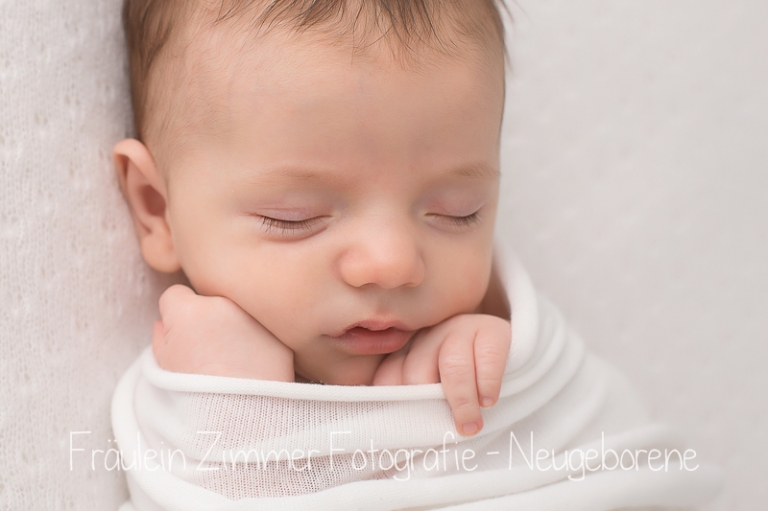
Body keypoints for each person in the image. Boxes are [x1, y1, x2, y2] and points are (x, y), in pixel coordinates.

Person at [113, 0, 513, 439]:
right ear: (157, 207)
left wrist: (499, 368)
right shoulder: (172, 394)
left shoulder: (508, 345)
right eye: (295, 217)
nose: (392, 264)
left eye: (458, 212)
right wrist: (236, 415)